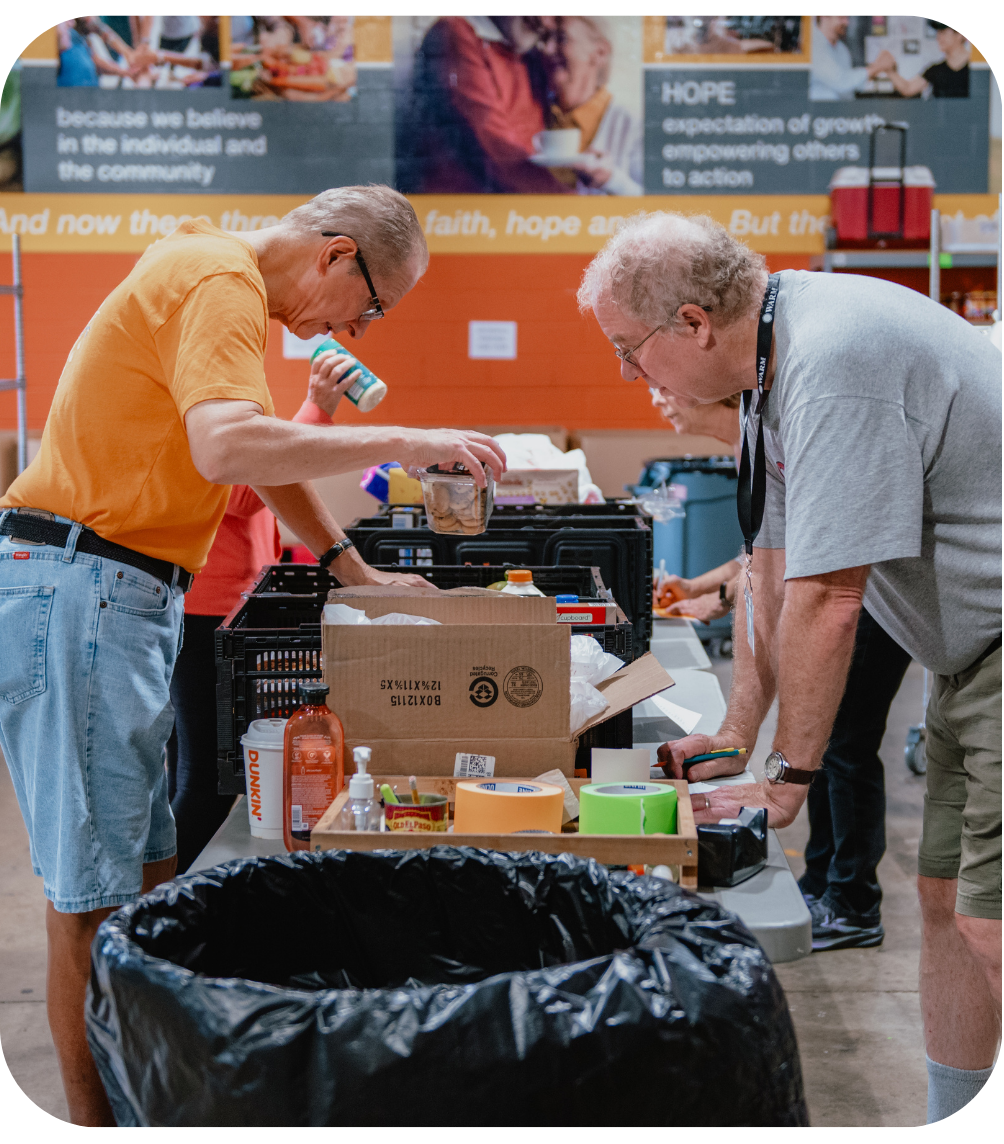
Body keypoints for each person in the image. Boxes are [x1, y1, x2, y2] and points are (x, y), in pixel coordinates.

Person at [0, 184, 506, 1126]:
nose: (356, 332)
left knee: (145, 874)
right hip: (81, 585)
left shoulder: (216, 277)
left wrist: (352, 570)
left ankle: (138, 1088)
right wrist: (410, 439)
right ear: (336, 255)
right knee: (91, 892)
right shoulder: (219, 279)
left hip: (126, 591)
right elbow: (229, 444)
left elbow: (258, 460)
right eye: (372, 307)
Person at [577, 211, 1000, 1122]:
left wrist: (787, 778)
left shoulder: (832, 363)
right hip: (966, 662)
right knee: (942, 906)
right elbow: (770, 565)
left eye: (629, 349)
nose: (627, 374)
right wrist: (737, 732)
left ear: (692, 324)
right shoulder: (773, 369)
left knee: (992, 927)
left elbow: (829, 597)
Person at [166, 345, 363, 872]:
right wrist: (318, 405)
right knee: (204, 779)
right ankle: (161, 902)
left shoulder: (227, 408)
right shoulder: (207, 423)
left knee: (189, 769)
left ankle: (160, 891)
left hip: (220, 605)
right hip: (205, 613)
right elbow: (249, 492)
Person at [397, 15, 571, 194]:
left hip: (517, 211)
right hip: (459, 213)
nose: (547, 23)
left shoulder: (531, 53)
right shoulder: (455, 33)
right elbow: (494, 152)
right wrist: (578, 205)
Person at [545, 15, 643, 196]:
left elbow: (661, 208)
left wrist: (611, 180)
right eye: (544, 38)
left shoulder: (633, 127)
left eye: (561, 39)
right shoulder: (534, 115)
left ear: (600, 53)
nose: (548, 49)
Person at [809, 15, 896, 101]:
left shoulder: (842, 49)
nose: (847, 22)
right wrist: (877, 67)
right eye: (841, 18)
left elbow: (852, 85)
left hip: (842, 111)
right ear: (823, 17)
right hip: (818, 112)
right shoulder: (813, 43)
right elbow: (841, 82)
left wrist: (877, 67)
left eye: (847, 18)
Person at [883, 23, 970, 99]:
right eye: (938, 33)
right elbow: (908, 89)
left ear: (960, 35)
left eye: (943, 32)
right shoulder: (935, 70)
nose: (938, 37)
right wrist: (890, 71)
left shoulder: (977, 69)